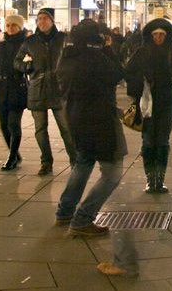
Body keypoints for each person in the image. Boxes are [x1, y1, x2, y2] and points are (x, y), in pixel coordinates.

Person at [56, 19, 127, 237]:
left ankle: (65, 211)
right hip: (100, 122)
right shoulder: (95, 58)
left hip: (75, 118)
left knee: (83, 163)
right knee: (112, 172)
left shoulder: (66, 58)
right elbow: (117, 74)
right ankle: (82, 218)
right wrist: (107, 49)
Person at [126, 18, 172, 193]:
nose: (159, 38)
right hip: (145, 104)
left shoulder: (171, 54)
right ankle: (149, 178)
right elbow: (128, 73)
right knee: (148, 142)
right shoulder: (141, 53)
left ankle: (159, 179)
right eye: (156, 35)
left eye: (162, 34)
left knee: (162, 141)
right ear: (150, 36)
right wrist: (141, 81)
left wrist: (171, 79)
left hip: (166, 103)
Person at [17, 8, 75, 176]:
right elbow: (17, 61)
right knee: (40, 129)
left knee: (66, 128)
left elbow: (74, 59)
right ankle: (46, 162)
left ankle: (75, 160)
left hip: (59, 89)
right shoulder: (30, 41)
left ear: (52, 21)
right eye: (39, 19)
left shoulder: (64, 39)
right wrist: (27, 66)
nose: (41, 22)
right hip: (38, 89)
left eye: (45, 18)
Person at [0, 15, 29, 171]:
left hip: (18, 88)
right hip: (2, 89)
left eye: (14, 25)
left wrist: (27, 64)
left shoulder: (26, 44)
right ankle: (15, 153)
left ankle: (11, 158)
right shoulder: (1, 46)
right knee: (3, 126)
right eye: (8, 25)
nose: (10, 28)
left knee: (13, 124)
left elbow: (31, 67)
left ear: (20, 27)